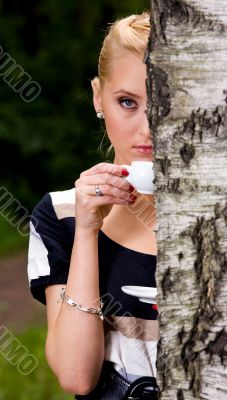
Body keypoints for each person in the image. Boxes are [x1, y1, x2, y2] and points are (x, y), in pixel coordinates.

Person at [27, 11, 159, 400]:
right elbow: (76, 376)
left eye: (166, 103)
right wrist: (87, 231)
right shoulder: (61, 215)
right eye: (127, 102)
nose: (148, 128)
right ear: (98, 97)